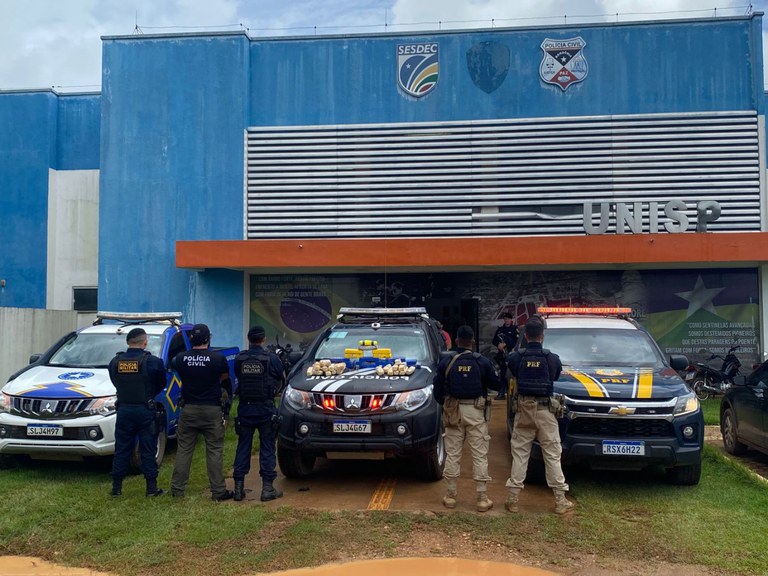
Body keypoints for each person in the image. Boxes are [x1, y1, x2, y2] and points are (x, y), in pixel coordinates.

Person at [505, 317, 574, 515]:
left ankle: (513, 500)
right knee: (552, 455)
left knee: (520, 455)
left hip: (524, 410)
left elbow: (513, 372)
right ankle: (560, 501)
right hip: (546, 411)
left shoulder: (516, 357)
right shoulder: (552, 358)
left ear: (525, 336)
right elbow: (555, 375)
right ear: (542, 336)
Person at [433, 325, 497, 512]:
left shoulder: (446, 361)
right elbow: (495, 383)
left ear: (456, 341)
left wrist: (446, 404)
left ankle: (451, 496)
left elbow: (437, 389)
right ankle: (482, 498)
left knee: (452, 454)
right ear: (473, 342)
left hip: (453, 412)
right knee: (480, 455)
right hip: (476, 412)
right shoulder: (482, 361)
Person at [170, 323, 234, 501]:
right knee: (214, 450)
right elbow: (224, 379)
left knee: (184, 449)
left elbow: (175, 368)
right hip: (212, 409)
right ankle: (218, 491)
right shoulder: (217, 359)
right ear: (208, 339)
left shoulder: (181, 358)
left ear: (191, 339)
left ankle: (177, 489)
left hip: (189, 408)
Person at [108, 327, 167, 497]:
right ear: (145, 341)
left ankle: (116, 489)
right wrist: (148, 395)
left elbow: (115, 381)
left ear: (128, 342)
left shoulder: (115, 362)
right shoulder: (153, 362)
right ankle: (151, 488)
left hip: (124, 409)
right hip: (145, 410)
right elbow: (160, 383)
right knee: (148, 449)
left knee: (121, 449)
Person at [232, 325, 286, 502]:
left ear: (249, 339)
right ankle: (267, 489)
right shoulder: (271, 358)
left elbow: (238, 376)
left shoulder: (240, 358)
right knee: (268, 447)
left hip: (245, 408)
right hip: (265, 408)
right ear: (263, 340)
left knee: (243, 447)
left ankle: (238, 489)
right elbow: (281, 377)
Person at [491, 312, 519, 400]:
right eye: (505, 319)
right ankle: (502, 393)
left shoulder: (515, 329)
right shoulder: (500, 330)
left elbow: (516, 342)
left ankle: (516, 394)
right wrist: (499, 345)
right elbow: (494, 340)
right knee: (502, 375)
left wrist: (506, 344)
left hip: (512, 355)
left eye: (508, 319)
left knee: (514, 375)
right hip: (502, 355)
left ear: (511, 320)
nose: (507, 321)